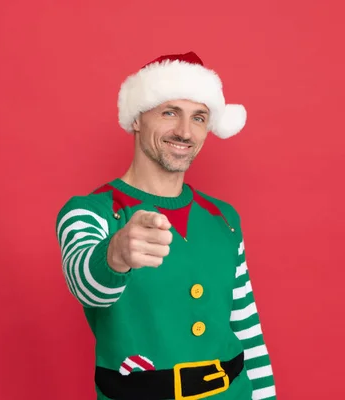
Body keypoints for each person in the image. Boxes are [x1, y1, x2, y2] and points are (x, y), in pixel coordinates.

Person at [55, 51, 276, 400]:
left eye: (199, 117)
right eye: (170, 112)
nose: (185, 132)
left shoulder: (224, 218)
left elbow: (246, 327)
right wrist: (115, 254)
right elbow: (85, 284)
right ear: (138, 119)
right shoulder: (92, 211)